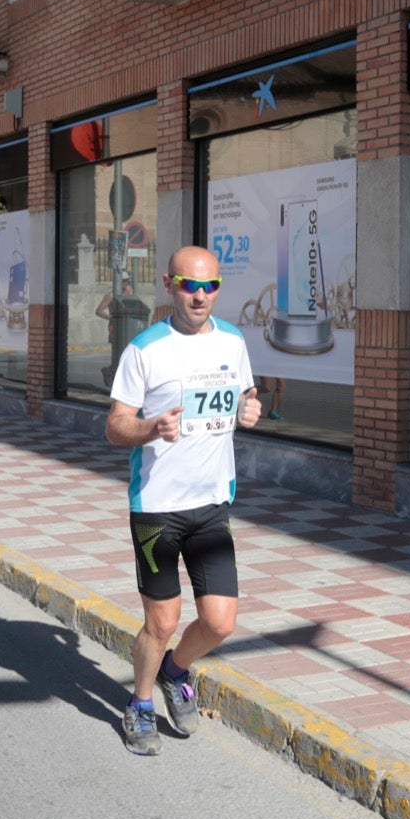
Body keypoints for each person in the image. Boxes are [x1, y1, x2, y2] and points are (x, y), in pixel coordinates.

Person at [105, 246, 260, 756]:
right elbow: (115, 425)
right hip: (156, 507)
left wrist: (249, 410)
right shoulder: (145, 350)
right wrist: (151, 427)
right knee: (163, 621)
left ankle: (175, 672)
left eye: (210, 286)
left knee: (220, 621)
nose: (200, 296)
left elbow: (243, 399)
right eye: (190, 285)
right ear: (170, 285)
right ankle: (140, 703)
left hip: (212, 502)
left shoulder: (233, 341)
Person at [94, 278, 151, 386]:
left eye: (127, 281)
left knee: (127, 355)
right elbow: (99, 310)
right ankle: (111, 372)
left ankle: (118, 376)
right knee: (118, 353)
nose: (125, 283)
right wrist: (110, 317)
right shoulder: (110, 296)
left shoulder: (129, 293)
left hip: (127, 327)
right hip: (115, 328)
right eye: (123, 281)